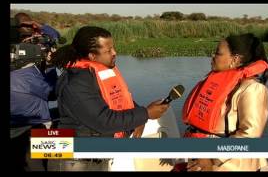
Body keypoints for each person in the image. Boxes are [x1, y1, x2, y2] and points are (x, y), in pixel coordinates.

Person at [47, 26, 169, 171]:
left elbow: (119, 100)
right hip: (74, 161)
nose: (114, 53)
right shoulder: (75, 83)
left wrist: (138, 116)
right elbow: (103, 121)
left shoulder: (98, 74)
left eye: (113, 48)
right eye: (108, 51)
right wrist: (145, 114)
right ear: (92, 56)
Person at [180, 33, 268, 171]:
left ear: (235, 60)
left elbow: (249, 135)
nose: (212, 56)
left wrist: (211, 159)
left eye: (217, 53)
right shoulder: (214, 82)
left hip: (228, 165)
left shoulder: (253, 89)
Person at [10, 15, 60, 171]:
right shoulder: (26, 72)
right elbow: (53, 93)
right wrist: (51, 66)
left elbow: (55, 37)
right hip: (31, 127)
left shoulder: (20, 64)